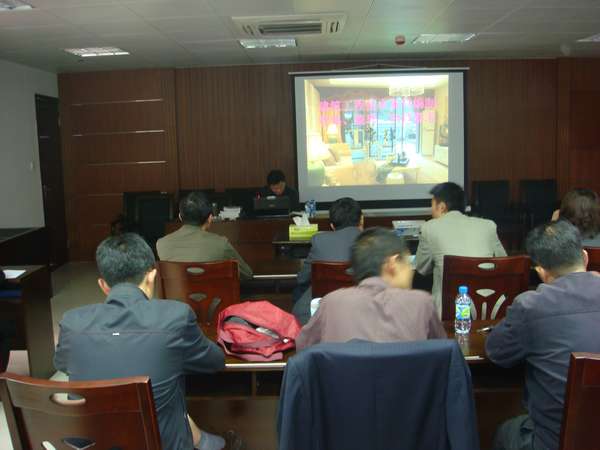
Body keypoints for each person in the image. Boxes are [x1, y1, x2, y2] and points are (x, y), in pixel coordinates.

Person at [54, 233, 244, 450]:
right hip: (158, 442)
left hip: (93, 442)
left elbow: (61, 363)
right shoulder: (175, 316)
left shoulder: (72, 322)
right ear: (152, 276)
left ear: (103, 285)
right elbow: (214, 361)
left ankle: (199, 438)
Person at [486, 220, 600, 450]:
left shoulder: (532, 306)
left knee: (504, 431)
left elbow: (496, 352)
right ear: (585, 257)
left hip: (553, 443)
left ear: (541, 271)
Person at [296, 228, 446, 350]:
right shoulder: (422, 303)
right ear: (393, 263)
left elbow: (303, 347)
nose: (410, 270)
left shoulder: (331, 303)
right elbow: (442, 353)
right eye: (407, 263)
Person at [415, 182, 507, 316]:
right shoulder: (488, 225)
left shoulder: (429, 228)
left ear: (441, 207)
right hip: (488, 307)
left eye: (432, 205)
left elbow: (421, 267)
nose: (431, 210)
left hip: (450, 311)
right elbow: (504, 263)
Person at [292, 197, 364, 324]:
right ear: (361, 220)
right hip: (362, 306)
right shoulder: (374, 240)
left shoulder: (319, 240)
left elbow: (302, 278)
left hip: (322, 308)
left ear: (332, 225)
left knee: (299, 288)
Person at [157, 191, 253, 281]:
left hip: (176, 294)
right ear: (210, 218)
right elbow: (247, 274)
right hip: (214, 294)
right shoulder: (221, 244)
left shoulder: (162, 244)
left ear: (180, 217)